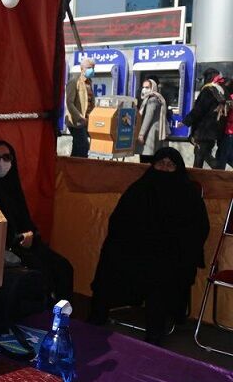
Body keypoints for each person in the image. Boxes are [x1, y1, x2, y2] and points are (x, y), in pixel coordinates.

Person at [88, 148, 209, 345]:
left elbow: (198, 228)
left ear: (178, 169)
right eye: (160, 164)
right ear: (152, 166)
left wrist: (174, 246)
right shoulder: (140, 188)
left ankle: (155, 332)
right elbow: (119, 220)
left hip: (171, 252)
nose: (164, 168)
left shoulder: (188, 194)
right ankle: (96, 317)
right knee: (111, 257)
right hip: (136, 247)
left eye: (170, 166)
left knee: (161, 271)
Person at [0, 141, 74, 302]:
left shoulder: (13, 185)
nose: (1, 162)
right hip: (3, 248)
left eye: (6, 157)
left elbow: (25, 220)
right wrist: (19, 238)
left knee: (63, 267)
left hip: (26, 245)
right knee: (40, 273)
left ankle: (61, 315)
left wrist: (32, 235)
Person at [183, 68, 226, 169]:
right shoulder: (220, 91)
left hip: (204, 131)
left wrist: (186, 121)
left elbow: (199, 109)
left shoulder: (208, 90)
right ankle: (196, 179)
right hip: (213, 131)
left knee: (204, 155)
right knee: (198, 157)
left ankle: (219, 172)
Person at [65, 57, 95, 158]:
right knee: (84, 146)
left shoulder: (89, 82)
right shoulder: (74, 81)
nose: (92, 70)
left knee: (78, 148)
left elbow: (90, 102)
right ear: (82, 68)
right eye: (89, 67)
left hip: (86, 121)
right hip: (76, 121)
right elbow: (69, 103)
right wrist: (80, 117)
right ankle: (80, 167)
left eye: (93, 67)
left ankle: (72, 168)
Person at [137, 75, 168, 164]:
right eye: (143, 87)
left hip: (149, 135)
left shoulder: (152, 100)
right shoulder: (158, 98)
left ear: (153, 87)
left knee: (146, 161)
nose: (144, 90)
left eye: (147, 87)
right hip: (154, 133)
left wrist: (141, 134)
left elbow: (148, 117)